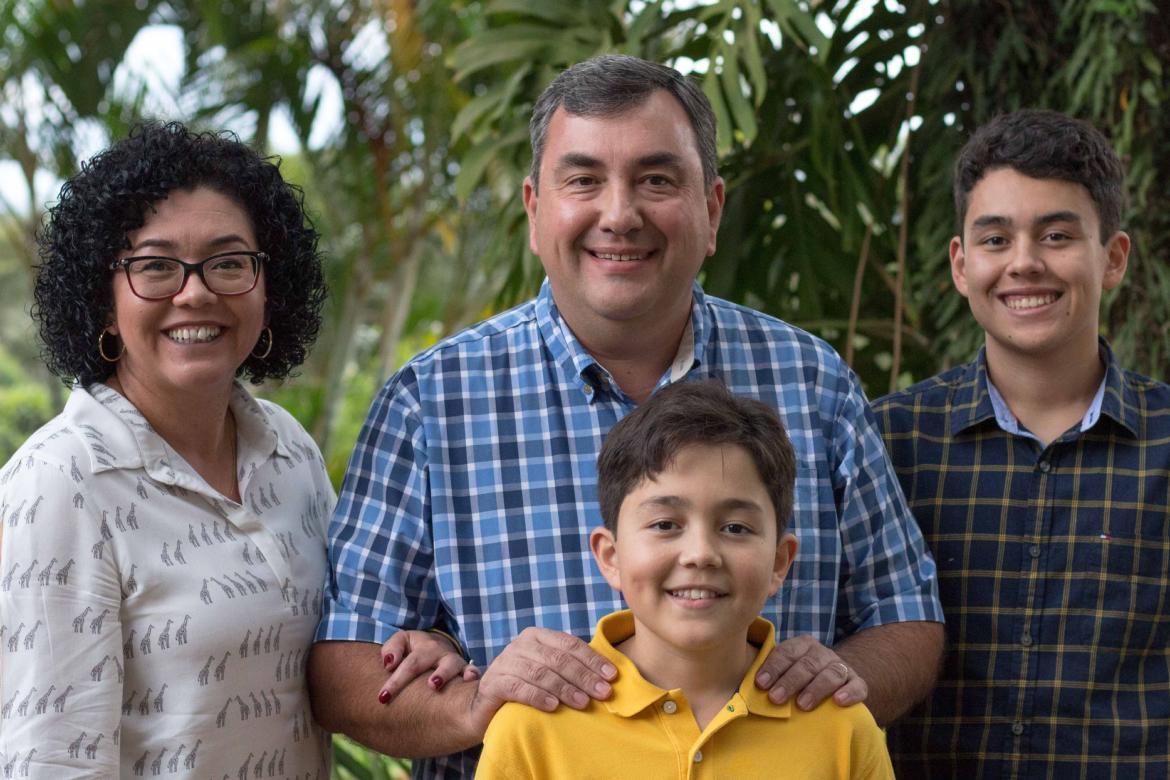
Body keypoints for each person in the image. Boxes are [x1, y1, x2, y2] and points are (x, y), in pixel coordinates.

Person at [311, 54, 944, 778]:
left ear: (712, 209)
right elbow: (342, 666)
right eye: (583, 180)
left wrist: (829, 696)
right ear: (534, 209)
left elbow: (906, 615)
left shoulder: (813, 382)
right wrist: (477, 704)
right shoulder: (430, 401)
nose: (619, 215)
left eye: (656, 180)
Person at [0, 122, 336, 776]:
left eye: (229, 262)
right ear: (103, 300)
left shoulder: (289, 450)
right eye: (155, 265)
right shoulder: (60, 483)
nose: (196, 291)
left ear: (270, 285)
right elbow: (53, 761)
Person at [873, 109, 1169, 777]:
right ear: (961, 264)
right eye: (996, 239)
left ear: (1113, 258)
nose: (1025, 263)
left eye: (1057, 235)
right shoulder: (888, 441)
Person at [475, 380, 895, 779]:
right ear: (611, 556)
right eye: (665, 524)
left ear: (778, 562)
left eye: (735, 528)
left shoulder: (843, 731)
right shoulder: (531, 729)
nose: (700, 554)